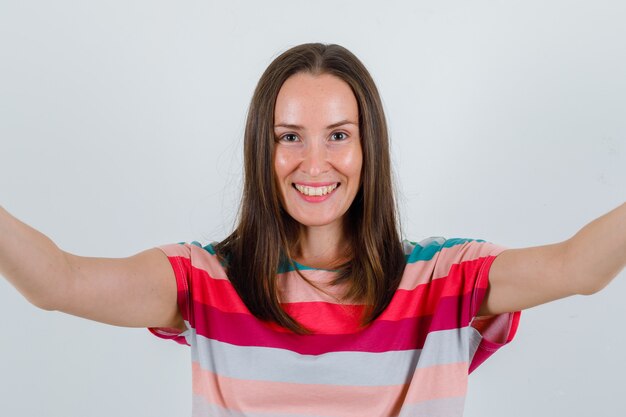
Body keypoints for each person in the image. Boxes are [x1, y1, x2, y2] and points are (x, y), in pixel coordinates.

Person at [1, 43, 624, 417]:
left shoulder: (443, 277)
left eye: (339, 136)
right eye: (289, 137)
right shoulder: (207, 278)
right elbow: (60, 280)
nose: (314, 163)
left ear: (367, 146)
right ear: (262, 149)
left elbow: (578, 267)